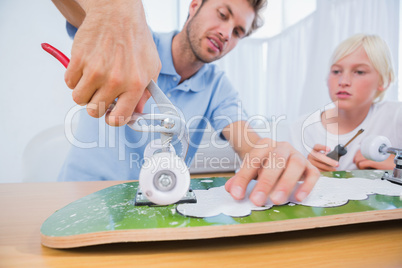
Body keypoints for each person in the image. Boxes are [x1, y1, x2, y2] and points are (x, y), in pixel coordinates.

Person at [53, 0, 319, 206]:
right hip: (79, 196)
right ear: (194, 6)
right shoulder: (131, 41)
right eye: (222, 14)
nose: (227, 33)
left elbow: (248, 141)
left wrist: (271, 155)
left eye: (238, 31)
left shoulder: (219, 88)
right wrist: (118, 11)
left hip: (154, 206)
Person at [290, 34, 401, 172]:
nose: (343, 81)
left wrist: (398, 164)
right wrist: (304, 171)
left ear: (384, 81)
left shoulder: (396, 116)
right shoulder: (302, 128)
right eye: (336, 71)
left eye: (359, 72)